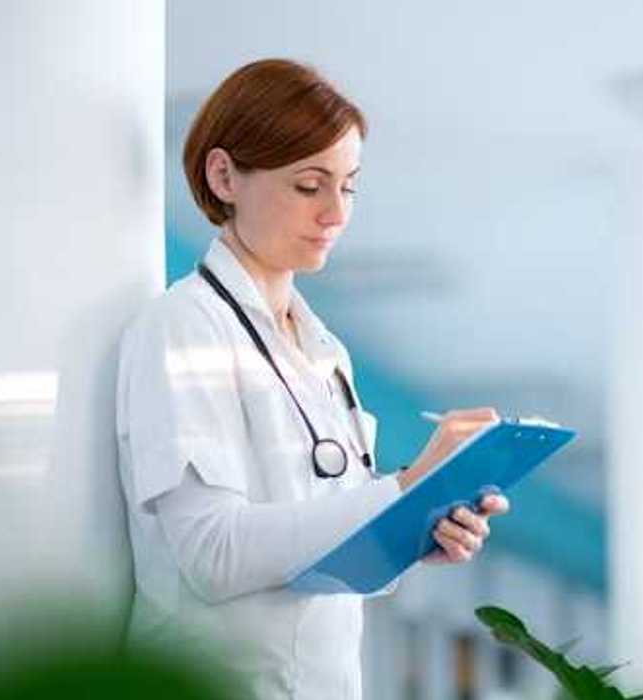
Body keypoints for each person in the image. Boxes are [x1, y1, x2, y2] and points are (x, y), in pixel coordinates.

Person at [114, 58, 509, 700]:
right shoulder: (184, 327)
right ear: (224, 176)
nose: (336, 213)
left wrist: (414, 528)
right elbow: (211, 554)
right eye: (309, 185)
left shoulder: (327, 354)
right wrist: (402, 486)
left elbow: (332, 561)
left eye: (349, 186)